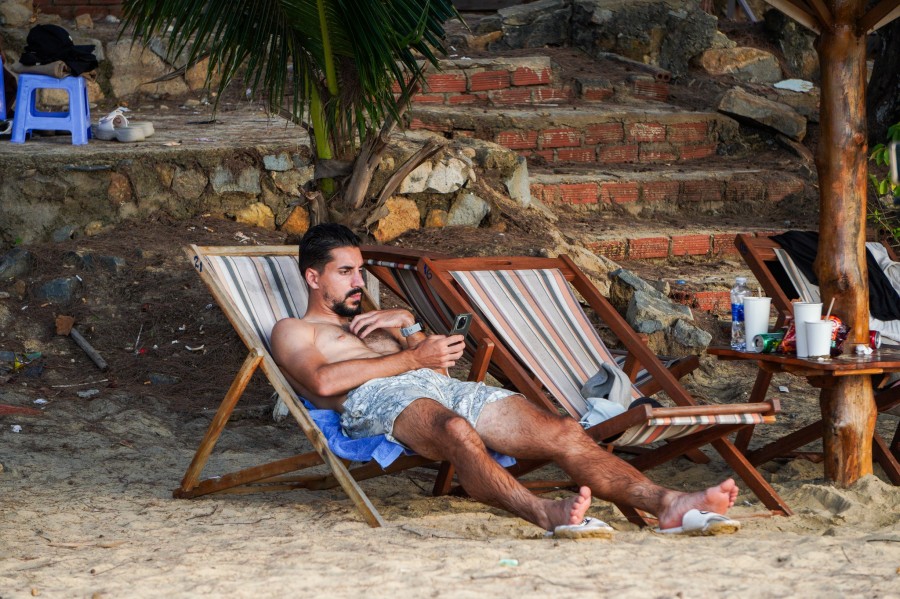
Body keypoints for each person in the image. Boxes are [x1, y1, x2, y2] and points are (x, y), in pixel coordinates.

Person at [271, 223, 741, 537]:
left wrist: (408, 324)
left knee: (563, 431)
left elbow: (437, 370)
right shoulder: (294, 330)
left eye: (361, 270)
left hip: (441, 389)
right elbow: (323, 382)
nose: (359, 282)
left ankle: (667, 503)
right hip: (375, 403)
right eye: (346, 272)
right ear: (314, 277)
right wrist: (412, 356)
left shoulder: (376, 322)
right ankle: (545, 512)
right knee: (456, 432)